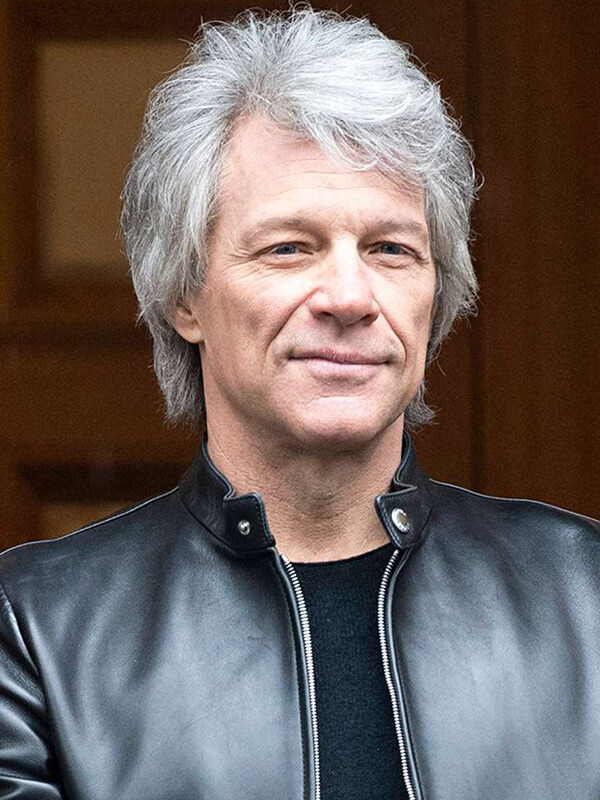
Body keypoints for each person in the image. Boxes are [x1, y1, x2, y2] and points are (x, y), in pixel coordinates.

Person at [0, 7, 598, 800]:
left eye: (391, 249)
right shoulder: (32, 631)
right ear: (184, 294)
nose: (349, 296)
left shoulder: (585, 597)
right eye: (289, 247)